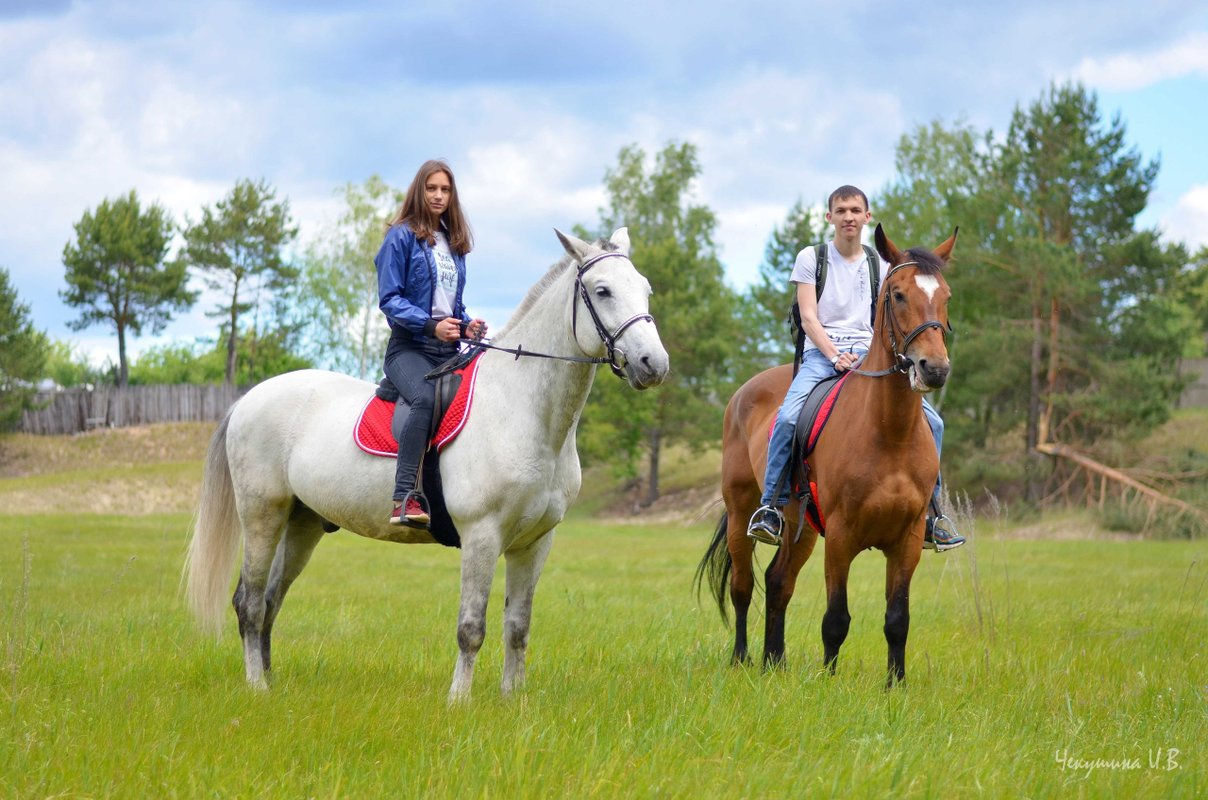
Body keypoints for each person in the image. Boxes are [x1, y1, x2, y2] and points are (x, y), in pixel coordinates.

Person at [746, 185, 965, 551]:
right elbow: (808, 318)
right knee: (786, 419)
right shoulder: (810, 258)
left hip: (868, 355)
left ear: (867, 217)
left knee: (935, 423)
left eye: (855, 210)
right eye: (841, 210)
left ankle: (932, 514)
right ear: (830, 217)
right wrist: (833, 355)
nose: (849, 216)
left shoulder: (881, 266)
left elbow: (887, 318)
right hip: (821, 354)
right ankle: (771, 506)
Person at [375, 159, 487, 527]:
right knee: (423, 397)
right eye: (432, 188)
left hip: (446, 351)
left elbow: (449, 305)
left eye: (446, 189)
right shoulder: (400, 236)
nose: (439, 196)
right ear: (419, 191)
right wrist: (430, 326)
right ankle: (404, 497)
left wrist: (467, 326)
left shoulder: (453, 244)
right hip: (409, 349)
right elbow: (390, 300)